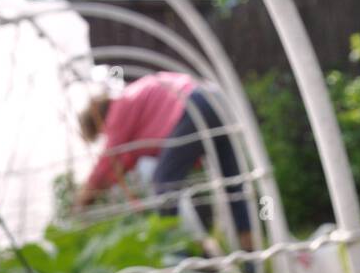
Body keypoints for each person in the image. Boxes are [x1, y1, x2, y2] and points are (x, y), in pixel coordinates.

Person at [76, 71, 253, 250]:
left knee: (163, 182)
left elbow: (108, 160)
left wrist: (82, 202)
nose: (105, 134)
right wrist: (100, 189)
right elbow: (120, 164)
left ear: (98, 121)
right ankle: (249, 252)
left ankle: (176, 250)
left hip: (193, 105)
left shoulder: (119, 108)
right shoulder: (131, 104)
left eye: (101, 132)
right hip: (213, 100)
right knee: (232, 184)